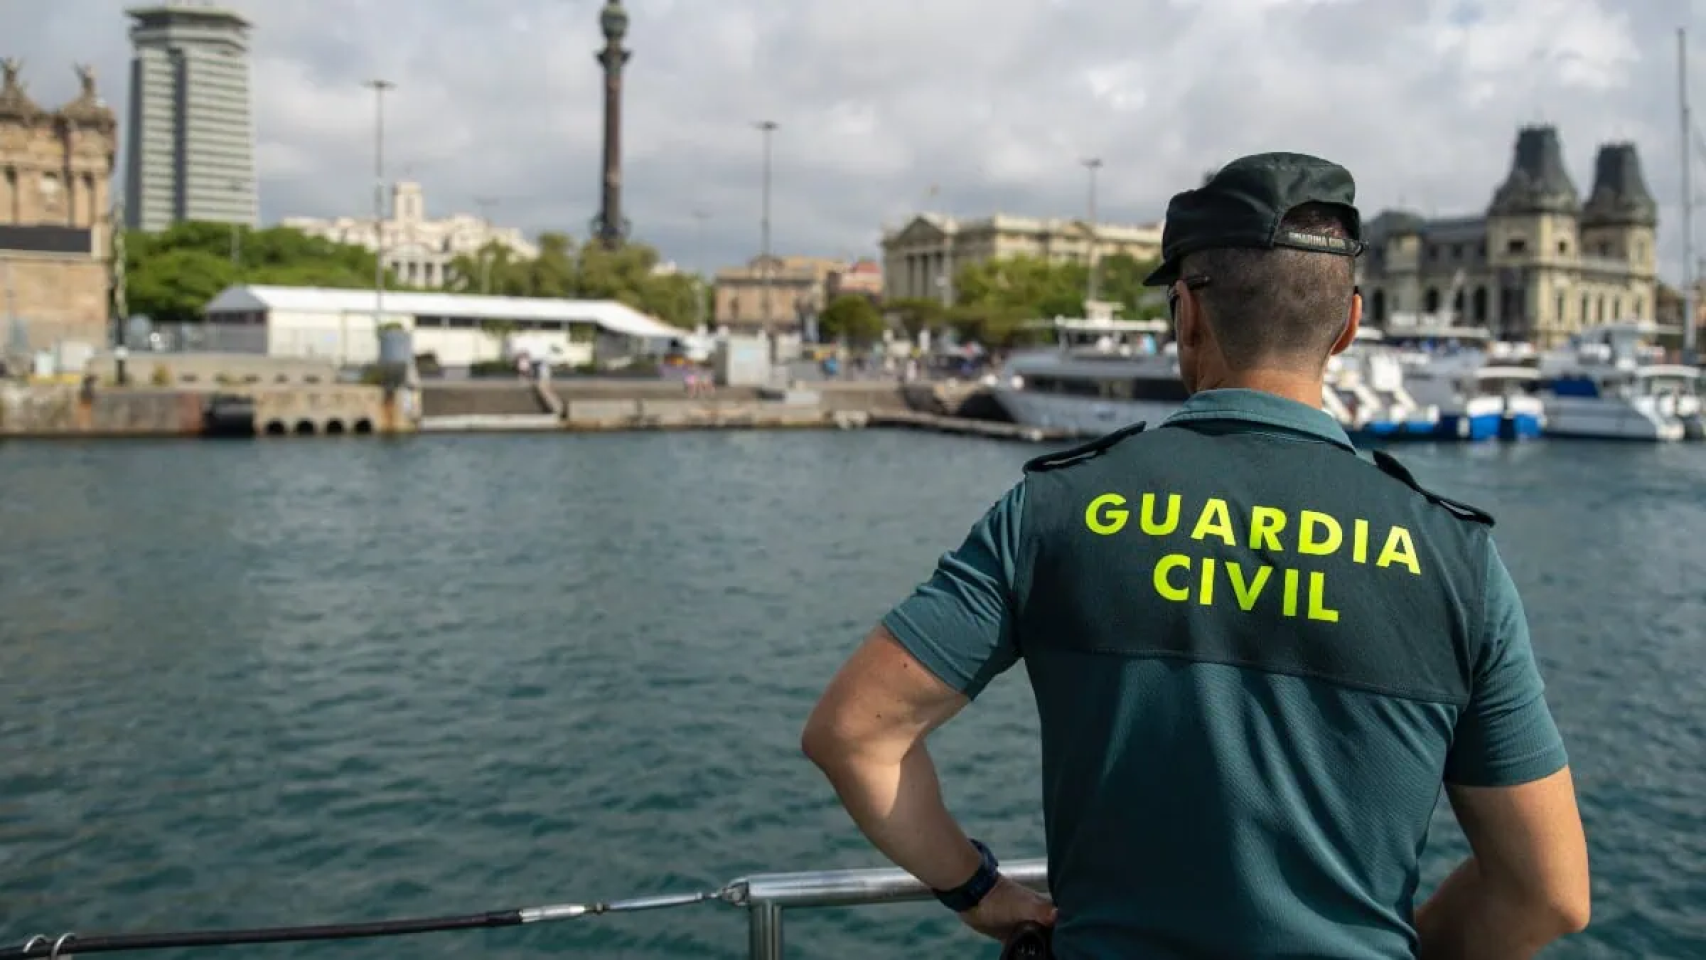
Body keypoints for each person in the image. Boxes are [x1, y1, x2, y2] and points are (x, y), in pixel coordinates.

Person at [800, 152, 1590, 959]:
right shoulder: (1456, 561)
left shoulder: (1055, 510)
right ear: (1349, 324)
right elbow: (1549, 893)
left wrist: (983, 895)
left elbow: (854, 734)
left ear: (1186, 314)